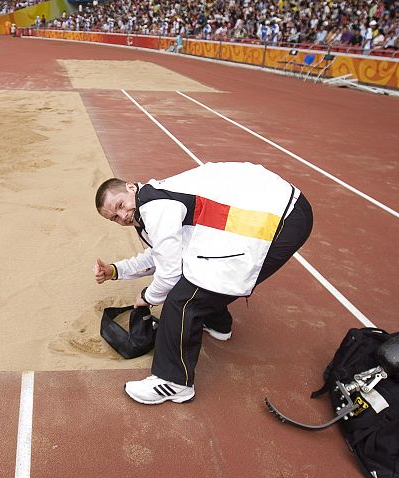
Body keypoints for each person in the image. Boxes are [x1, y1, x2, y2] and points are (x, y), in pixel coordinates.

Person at [93, 162, 313, 405]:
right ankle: (218, 324)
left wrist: (146, 297)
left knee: (181, 299)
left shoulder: (155, 208)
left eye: (120, 205)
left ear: (131, 187)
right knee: (205, 272)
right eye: (114, 217)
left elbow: (169, 272)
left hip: (283, 217)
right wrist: (115, 270)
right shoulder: (148, 206)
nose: (122, 216)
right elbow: (162, 254)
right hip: (281, 208)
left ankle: (174, 381)